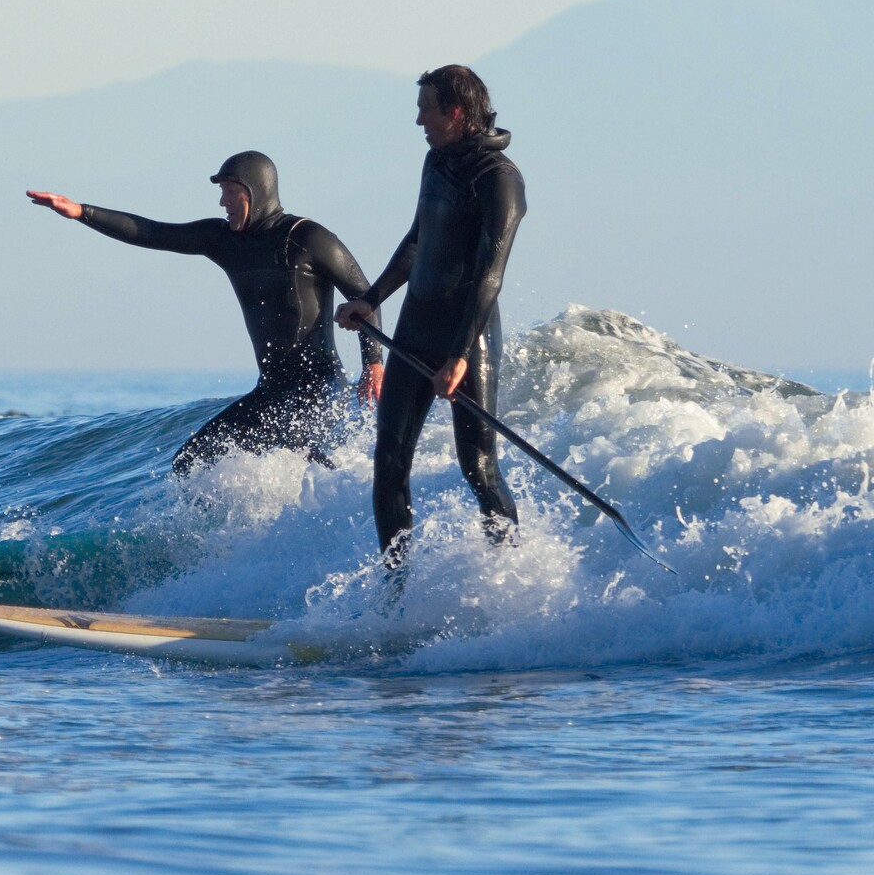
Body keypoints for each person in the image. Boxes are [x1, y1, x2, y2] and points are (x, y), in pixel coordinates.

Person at [28, 151, 384, 475]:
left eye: (231, 191)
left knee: (299, 450)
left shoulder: (305, 237)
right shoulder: (223, 239)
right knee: (190, 463)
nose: (223, 201)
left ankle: (350, 503)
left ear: (256, 191)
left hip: (318, 385)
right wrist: (81, 212)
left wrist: (373, 363)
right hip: (272, 387)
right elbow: (153, 233)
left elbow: (362, 293)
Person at [336, 65, 525, 570]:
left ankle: (506, 576)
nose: (419, 120)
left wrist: (460, 355)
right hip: (415, 328)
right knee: (389, 462)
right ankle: (394, 592)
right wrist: (371, 299)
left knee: (478, 467)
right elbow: (418, 239)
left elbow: (490, 275)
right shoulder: (436, 162)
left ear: (456, 112)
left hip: (469, 335)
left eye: (426, 109)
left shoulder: (500, 181)